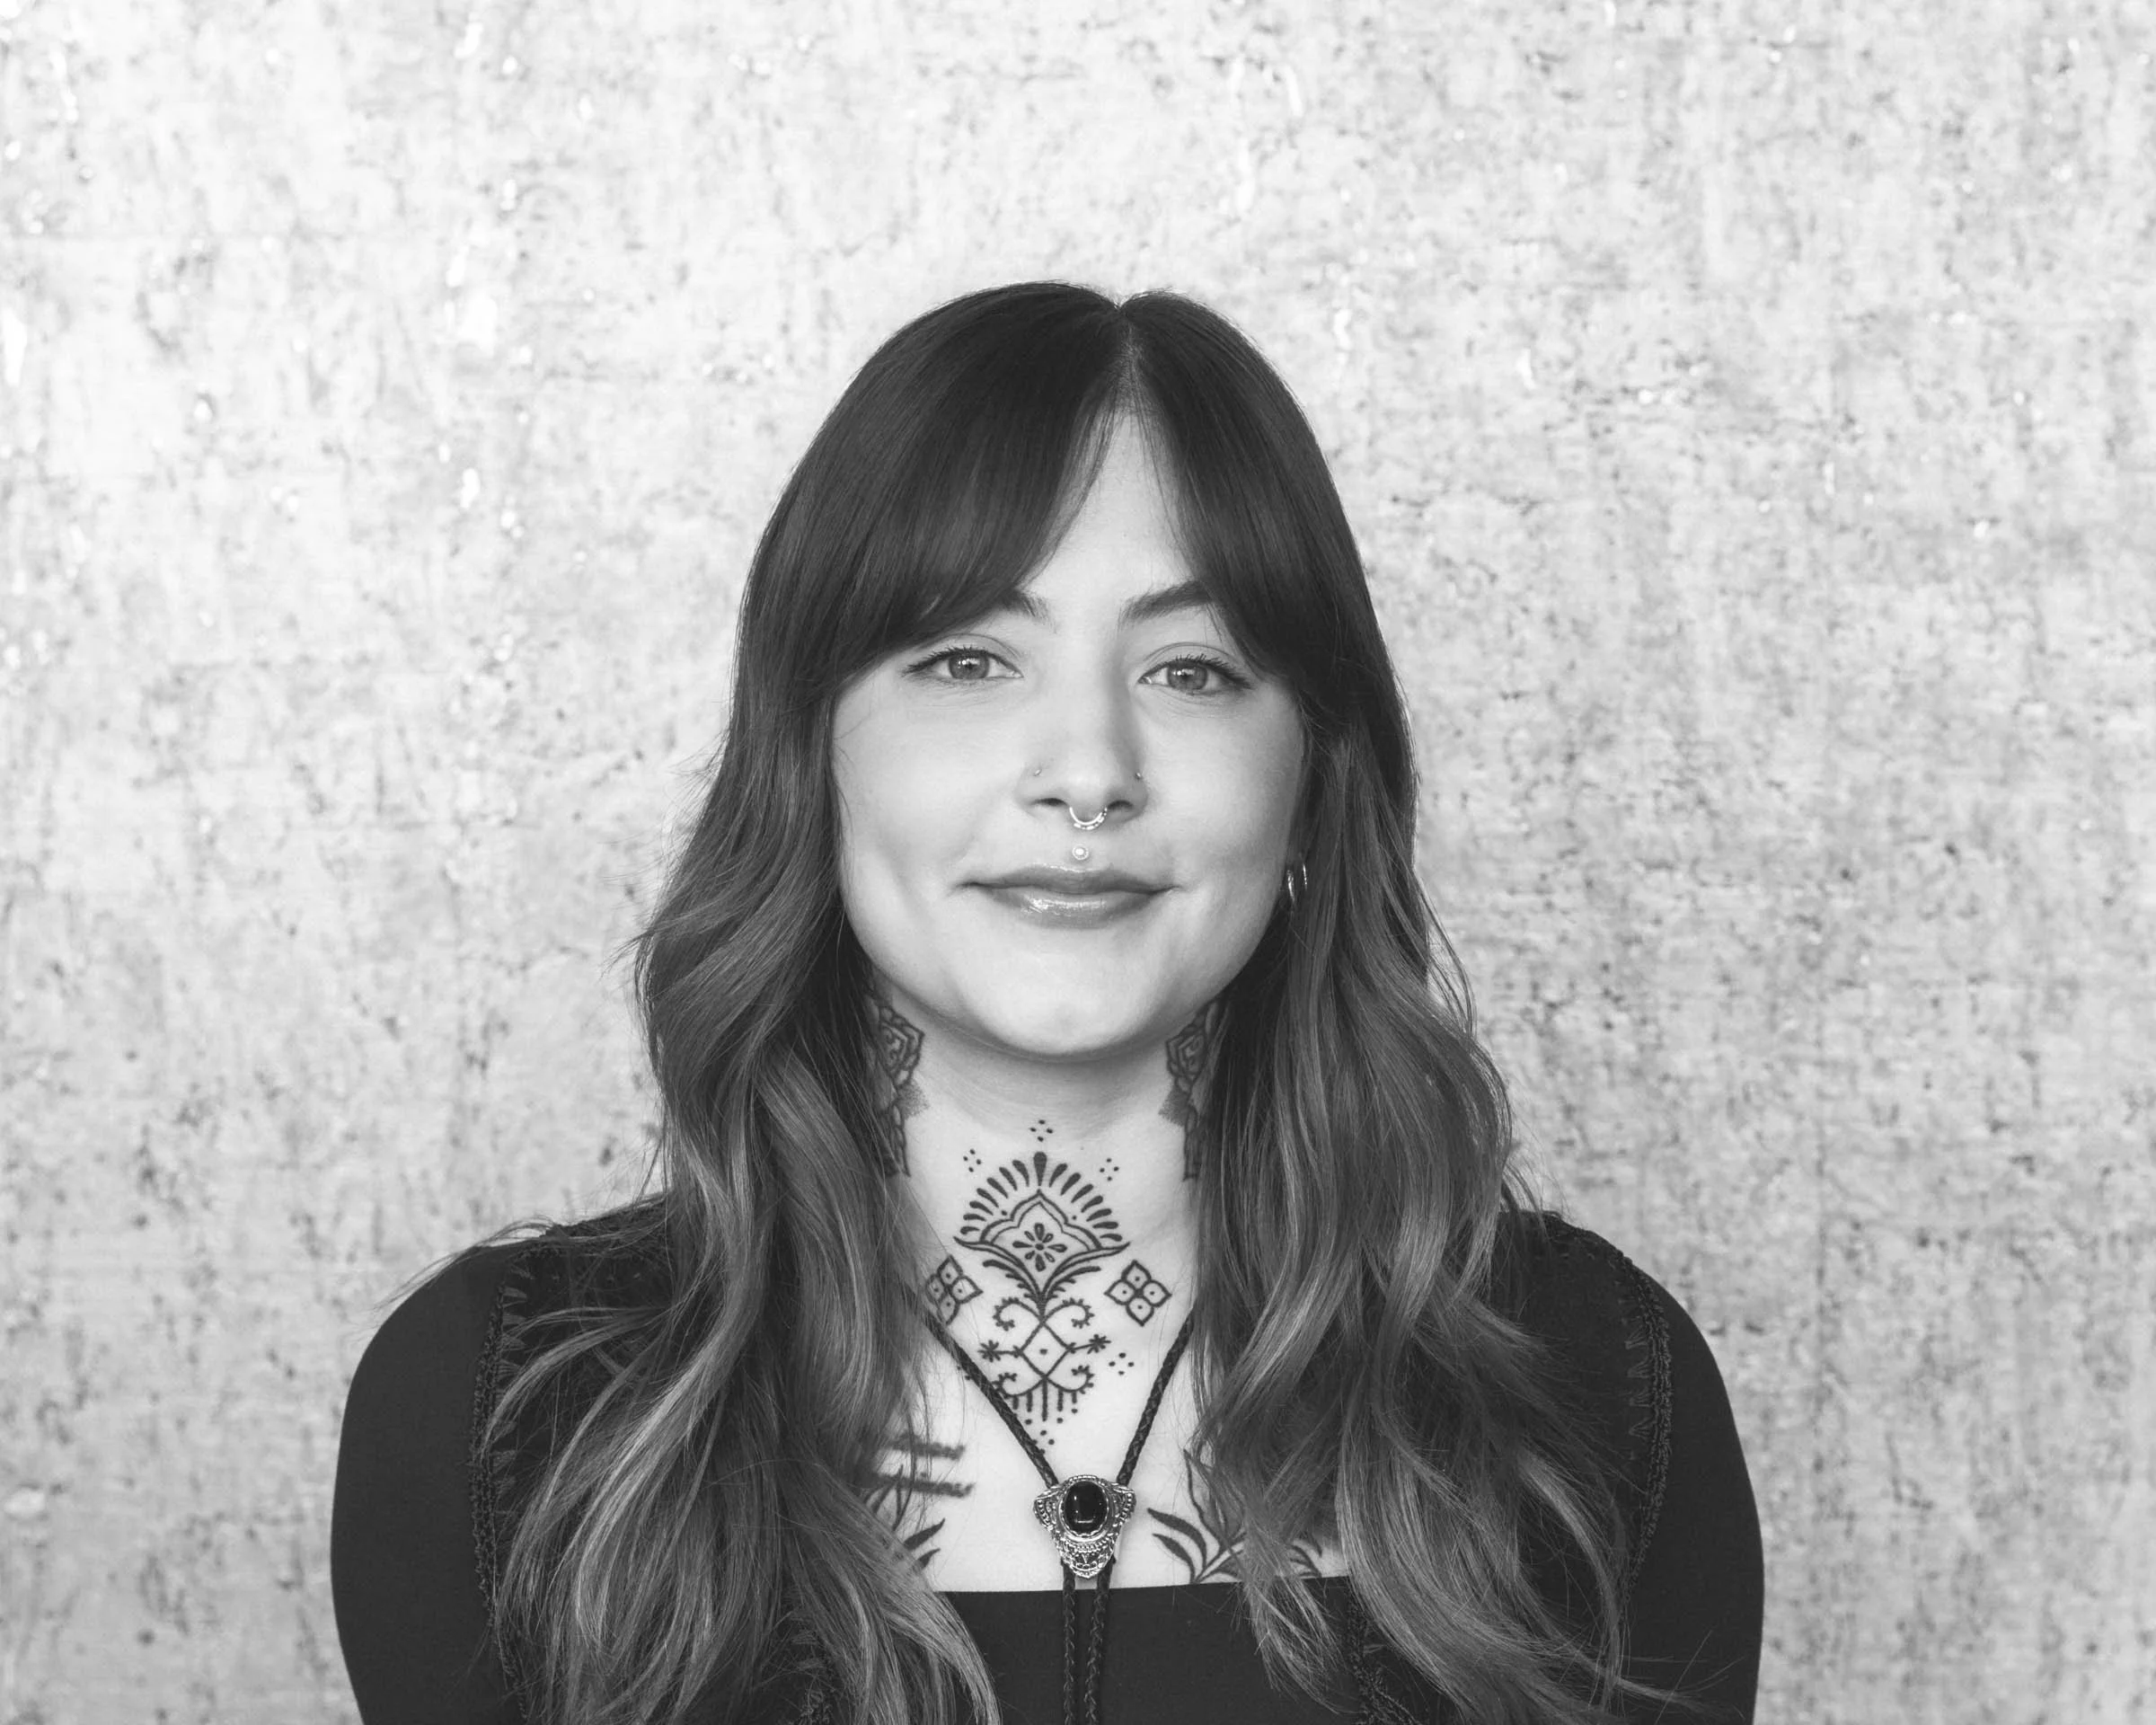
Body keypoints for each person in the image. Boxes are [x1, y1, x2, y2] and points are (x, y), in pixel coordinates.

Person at [330, 282, 1763, 1725]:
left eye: (1193, 669)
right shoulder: (503, 1415)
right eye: (967, 659)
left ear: (1316, 778)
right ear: (810, 756)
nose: (1089, 768)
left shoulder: (1589, 1393)